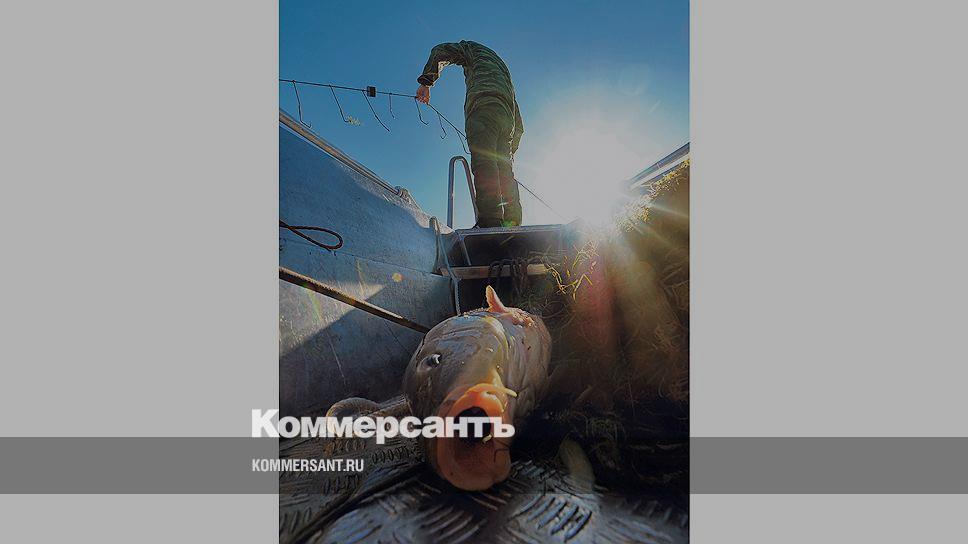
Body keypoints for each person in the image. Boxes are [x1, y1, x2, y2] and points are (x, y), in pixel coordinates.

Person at [416, 41, 524, 228]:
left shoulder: (471, 49)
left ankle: (490, 221)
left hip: (483, 105)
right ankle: (513, 224)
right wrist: (510, 150)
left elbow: (441, 51)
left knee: (484, 162)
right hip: (507, 118)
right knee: (505, 171)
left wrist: (426, 82)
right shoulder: (503, 71)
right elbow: (519, 124)